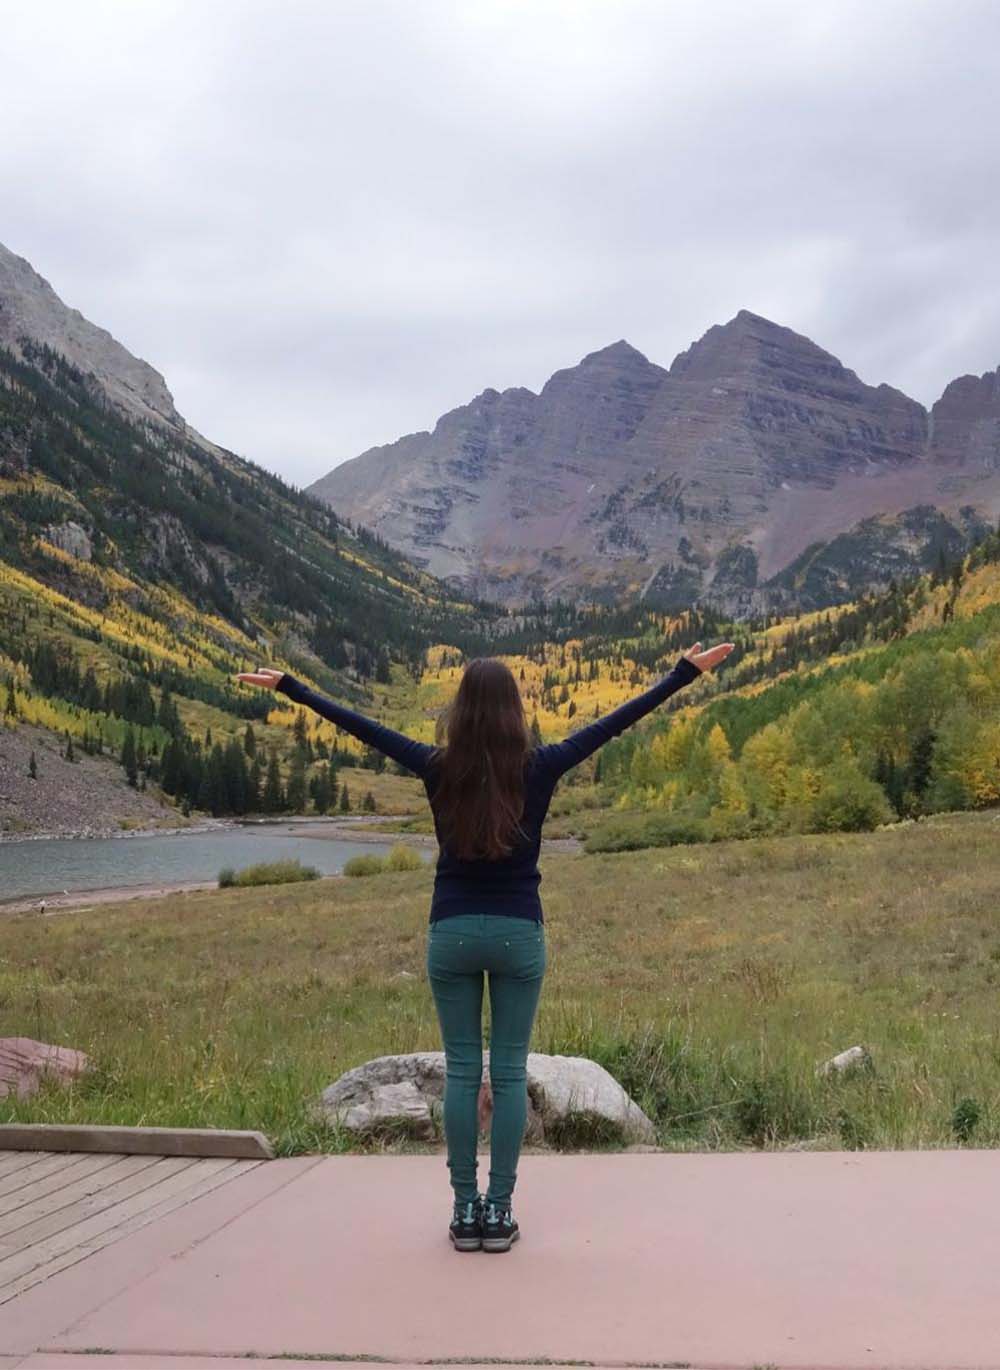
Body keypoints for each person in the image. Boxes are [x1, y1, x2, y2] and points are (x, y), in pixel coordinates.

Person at [236, 637, 733, 1252]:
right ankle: (498, 1213)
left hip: (452, 934)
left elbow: (360, 727)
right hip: (520, 933)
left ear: (461, 711)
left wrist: (291, 687)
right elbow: (617, 721)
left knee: (464, 1074)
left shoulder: (436, 765)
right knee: (509, 1070)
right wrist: (683, 673)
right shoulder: (542, 766)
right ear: (514, 711)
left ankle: (463, 1210)